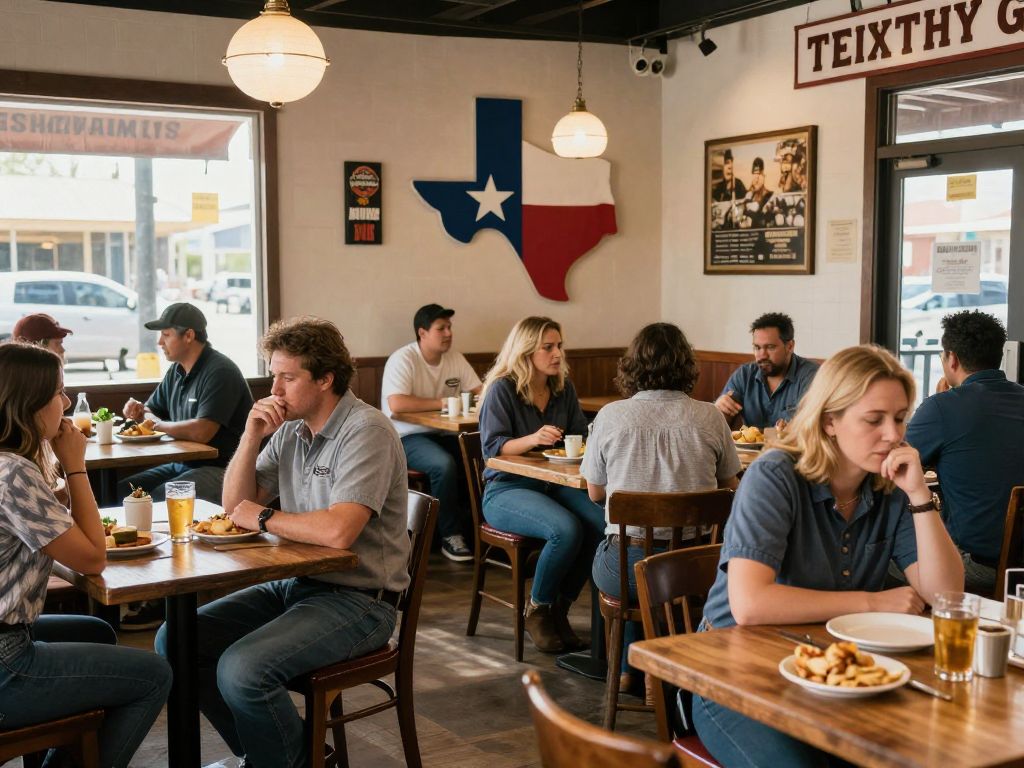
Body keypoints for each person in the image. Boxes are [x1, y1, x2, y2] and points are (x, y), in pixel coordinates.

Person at [156, 317, 410, 768]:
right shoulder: (292, 428)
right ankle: (280, 754)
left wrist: (266, 516)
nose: (275, 389)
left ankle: (288, 758)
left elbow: (339, 531)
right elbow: (236, 506)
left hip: (362, 600)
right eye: (274, 375)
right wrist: (251, 435)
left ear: (326, 379)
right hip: (300, 585)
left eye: (287, 377)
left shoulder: (365, 431)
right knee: (175, 638)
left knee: (243, 670)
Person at [694, 344, 964, 767]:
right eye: (874, 420)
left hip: (835, 673)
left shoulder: (889, 484)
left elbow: (946, 594)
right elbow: (750, 605)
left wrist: (919, 495)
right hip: (733, 676)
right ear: (829, 422)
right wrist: (872, 601)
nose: (893, 434)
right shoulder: (775, 475)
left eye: (900, 418)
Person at [0, 342, 171, 768]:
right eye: (59, 392)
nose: (64, 401)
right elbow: (93, 559)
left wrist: (58, 490)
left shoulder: (9, 465)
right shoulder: (15, 473)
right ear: (31, 403)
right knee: (154, 675)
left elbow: (43, 538)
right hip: (6, 663)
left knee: (95, 632)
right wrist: (76, 466)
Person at [583, 323, 740, 699]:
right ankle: (660, 667)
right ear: (686, 365)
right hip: (694, 564)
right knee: (657, 576)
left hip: (627, 564)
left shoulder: (610, 416)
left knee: (625, 565)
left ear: (632, 366)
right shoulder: (710, 417)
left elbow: (594, 493)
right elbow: (731, 487)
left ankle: (627, 669)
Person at [478, 316, 605, 654]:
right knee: (565, 530)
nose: (557, 353)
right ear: (525, 351)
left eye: (559, 346)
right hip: (506, 488)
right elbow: (492, 449)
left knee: (600, 524)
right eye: (548, 347)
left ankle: (559, 609)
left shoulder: (562, 388)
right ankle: (537, 608)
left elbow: (580, 432)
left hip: (553, 483)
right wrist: (533, 438)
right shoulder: (502, 389)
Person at [905, 310, 1024, 594]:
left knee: (877, 558)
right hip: (1017, 568)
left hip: (976, 568)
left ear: (952, 359)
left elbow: (891, 466)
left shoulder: (943, 408)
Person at [119, 302, 253, 503]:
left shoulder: (220, 372)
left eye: (166, 335)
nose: (159, 343)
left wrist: (155, 423)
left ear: (189, 336)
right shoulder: (177, 370)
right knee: (122, 491)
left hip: (224, 469)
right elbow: (148, 411)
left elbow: (202, 431)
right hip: (186, 463)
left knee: (156, 499)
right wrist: (139, 411)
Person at [381, 303, 481, 562]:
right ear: (422, 333)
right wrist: (445, 402)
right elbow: (397, 404)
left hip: (444, 434)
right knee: (443, 465)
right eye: (441, 328)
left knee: (481, 456)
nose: (448, 333)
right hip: (405, 436)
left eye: (449, 327)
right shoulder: (403, 359)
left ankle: (483, 529)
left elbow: (480, 390)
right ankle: (450, 535)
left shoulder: (455, 358)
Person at [715, 312, 819, 430]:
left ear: (790, 346)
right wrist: (720, 410)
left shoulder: (812, 376)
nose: (762, 355)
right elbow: (717, 427)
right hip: (749, 449)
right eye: (757, 348)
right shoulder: (744, 375)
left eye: (770, 347)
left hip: (793, 448)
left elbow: (812, 430)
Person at [742, 157, 774, 228]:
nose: (756, 178)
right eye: (754, 174)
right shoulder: (748, 196)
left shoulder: (770, 195)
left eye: (759, 174)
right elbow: (741, 220)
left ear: (763, 176)